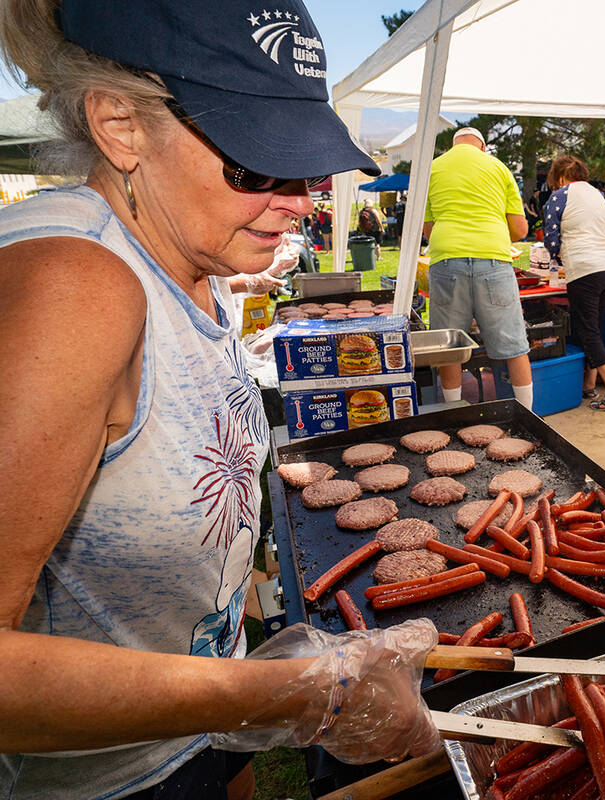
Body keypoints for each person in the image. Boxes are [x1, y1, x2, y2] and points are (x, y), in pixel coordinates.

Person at [0, 0, 441, 797]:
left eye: (306, 166)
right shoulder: (76, 287)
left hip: (190, 732)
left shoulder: (190, 261)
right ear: (120, 126)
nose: (303, 199)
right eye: (259, 163)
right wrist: (300, 692)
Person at [423, 127, 533, 408]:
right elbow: (520, 229)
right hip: (493, 259)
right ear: (482, 147)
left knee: (450, 347)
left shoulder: (432, 168)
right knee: (514, 345)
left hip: (446, 258)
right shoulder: (499, 167)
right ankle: (528, 413)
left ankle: (452, 411)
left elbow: (426, 228)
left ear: (453, 146)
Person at [541, 154, 605, 410]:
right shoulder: (599, 196)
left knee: (587, 332)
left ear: (561, 177)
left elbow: (551, 239)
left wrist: (559, 256)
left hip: (584, 269)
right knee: (594, 327)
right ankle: (589, 384)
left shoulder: (560, 196)